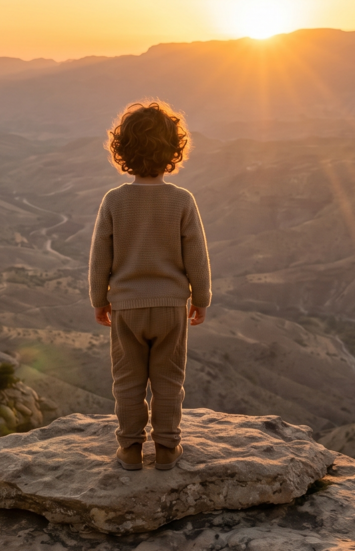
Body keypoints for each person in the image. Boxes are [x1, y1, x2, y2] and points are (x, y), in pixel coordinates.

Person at [88, 100, 210, 471]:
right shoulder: (182, 200)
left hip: (126, 308)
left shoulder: (114, 200)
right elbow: (197, 259)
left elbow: (99, 259)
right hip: (172, 308)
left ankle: (129, 449)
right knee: (168, 381)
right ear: (174, 150)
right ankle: (168, 448)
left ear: (122, 150)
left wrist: (99, 300)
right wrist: (201, 299)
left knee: (127, 381)